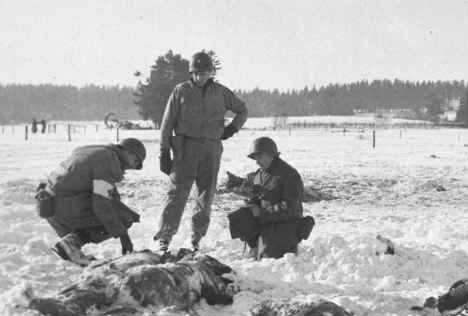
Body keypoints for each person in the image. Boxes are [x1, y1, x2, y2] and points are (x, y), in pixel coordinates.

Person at [155, 51, 248, 253]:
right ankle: (165, 237)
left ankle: (196, 238)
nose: (200, 77)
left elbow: (242, 110)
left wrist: (232, 129)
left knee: (206, 195)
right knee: (176, 195)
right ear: (191, 73)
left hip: (211, 148)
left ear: (210, 73)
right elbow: (166, 123)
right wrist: (164, 151)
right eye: (196, 73)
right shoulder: (180, 91)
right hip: (184, 148)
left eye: (204, 73)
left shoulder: (221, 92)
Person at [36, 138, 146, 266]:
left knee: (116, 207)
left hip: (49, 205)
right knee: (124, 217)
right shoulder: (108, 161)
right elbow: (101, 204)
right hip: (63, 206)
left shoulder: (96, 151)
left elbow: (109, 195)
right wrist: (123, 234)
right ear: (127, 151)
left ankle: (71, 247)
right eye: (135, 161)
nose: (132, 167)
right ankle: (70, 244)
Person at [227, 137, 306, 259]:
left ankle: (274, 247)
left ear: (271, 154)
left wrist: (261, 212)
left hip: (285, 224)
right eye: (255, 158)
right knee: (240, 216)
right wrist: (252, 203)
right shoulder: (260, 174)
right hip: (267, 219)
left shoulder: (289, 175)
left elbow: (291, 208)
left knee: (271, 261)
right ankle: (254, 247)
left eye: (259, 157)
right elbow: (258, 195)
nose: (257, 162)